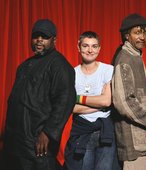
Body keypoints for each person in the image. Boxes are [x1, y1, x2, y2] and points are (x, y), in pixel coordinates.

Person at [3, 19, 76, 170]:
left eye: (44, 37)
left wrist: (48, 133)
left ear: (54, 40)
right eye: (36, 36)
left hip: (37, 142)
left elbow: (65, 102)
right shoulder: (23, 66)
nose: (39, 40)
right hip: (15, 142)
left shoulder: (60, 65)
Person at [112, 13, 146, 170]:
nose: (142, 37)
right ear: (127, 36)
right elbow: (126, 103)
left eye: (144, 32)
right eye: (137, 32)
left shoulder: (135, 56)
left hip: (144, 141)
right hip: (134, 144)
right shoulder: (124, 59)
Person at [64, 31, 120, 170]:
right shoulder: (71, 73)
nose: (90, 50)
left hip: (105, 131)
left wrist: (78, 99)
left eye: (94, 46)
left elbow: (106, 101)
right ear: (78, 47)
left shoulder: (108, 70)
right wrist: (99, 103)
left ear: (99, 48)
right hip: (81, 131)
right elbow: (69, 107)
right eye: (85, 46)